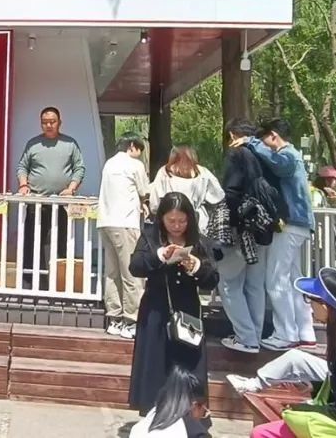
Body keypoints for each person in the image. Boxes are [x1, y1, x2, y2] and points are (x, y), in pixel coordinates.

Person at [228, 267, 336, 438]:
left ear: (325, 307)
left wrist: (301, 409)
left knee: (261, 433)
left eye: (310, 300)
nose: (310, 307)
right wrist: (315, 387)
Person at [128, 192, 219, 414]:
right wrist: (159, 256)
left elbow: (212, 279)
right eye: (171, 221)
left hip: (188, 311)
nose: (177, 226)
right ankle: (153, 411)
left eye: (182, 221)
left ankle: (189, 411)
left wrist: (196, 267)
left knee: (188, 363)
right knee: (155, 361)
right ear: (162, 219)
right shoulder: (150, 237)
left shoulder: (199, 241)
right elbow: (135, 266)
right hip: (156, 311)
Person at [248, 118, 317, 351]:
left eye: (264, 139)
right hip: (298, 225)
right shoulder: (294, 155)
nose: (263, 144)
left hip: (290, 224)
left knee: (276, 279)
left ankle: (285, 333)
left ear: (273, 136)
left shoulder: (288, 155)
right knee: (293, 279)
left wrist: (252, 143)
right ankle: (305, 331)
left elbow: (279, 165)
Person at [218, 119, 272, 355]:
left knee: (229, 283)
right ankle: (255, 336)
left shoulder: (237, 154)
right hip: (263, 227)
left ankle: (246, 338)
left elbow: (231, 192)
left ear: (232, 135)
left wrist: (228, 224)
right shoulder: (265, 154)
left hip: (242, 228)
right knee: (255, 285)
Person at [16, 107, 86, 284]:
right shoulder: (33, 144)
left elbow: (79, 168)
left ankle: (61, 280)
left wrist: (71, 188)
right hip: (37, 202)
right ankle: (34, 280)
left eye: (52, 122)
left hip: (62, 203)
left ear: (59, 123)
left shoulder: (70, 144)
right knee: (33, 242)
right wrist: (23, 185)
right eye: (45, 122)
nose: (48, 125)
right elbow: (22, 167)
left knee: (63, 241)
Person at [96, 133, 149, 340]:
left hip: (105, 221)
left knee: (112, 273)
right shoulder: (134, 164)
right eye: (140, 150)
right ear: (132, 146)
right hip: (125, 222)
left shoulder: (109, 163)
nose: (140, 154)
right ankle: (131, 320)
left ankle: (114, 319)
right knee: (131, 273)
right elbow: (144, 191)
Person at [148, 146, 224, 232]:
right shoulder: (203, 172)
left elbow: (155, 204)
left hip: (171, 220)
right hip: (198, 221)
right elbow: (218, 196)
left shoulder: (164, 171)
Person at [130, 365, 211, 438]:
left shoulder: (142, 424)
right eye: (204, 412)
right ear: (194, 406)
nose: (201, 418)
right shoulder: (196, 433)